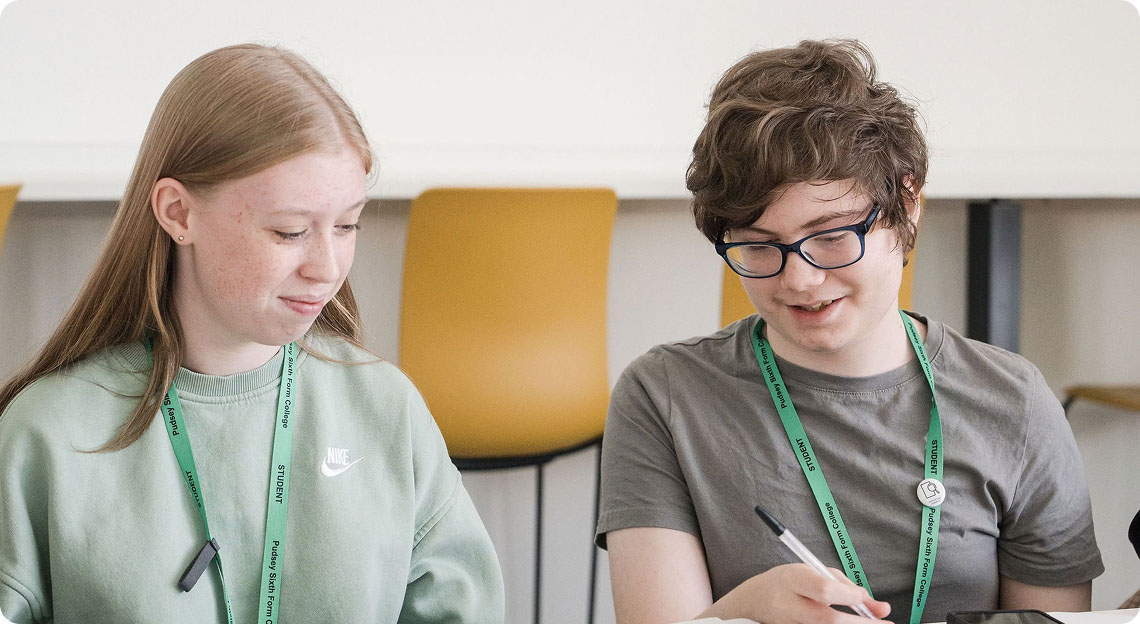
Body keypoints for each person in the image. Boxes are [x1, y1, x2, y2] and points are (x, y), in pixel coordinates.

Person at [596, 39, 1102, 624]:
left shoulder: (1014, 402)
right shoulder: (665, 396)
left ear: (906, 204)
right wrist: (747, 609)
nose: (801, 280)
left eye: (832, 234)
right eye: (759, 246)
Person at [0, 44, 504, 623]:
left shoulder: (386, 410)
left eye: (346, 225)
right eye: (290, 231)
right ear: (178, 213)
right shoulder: (46, 436)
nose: (328, 267)